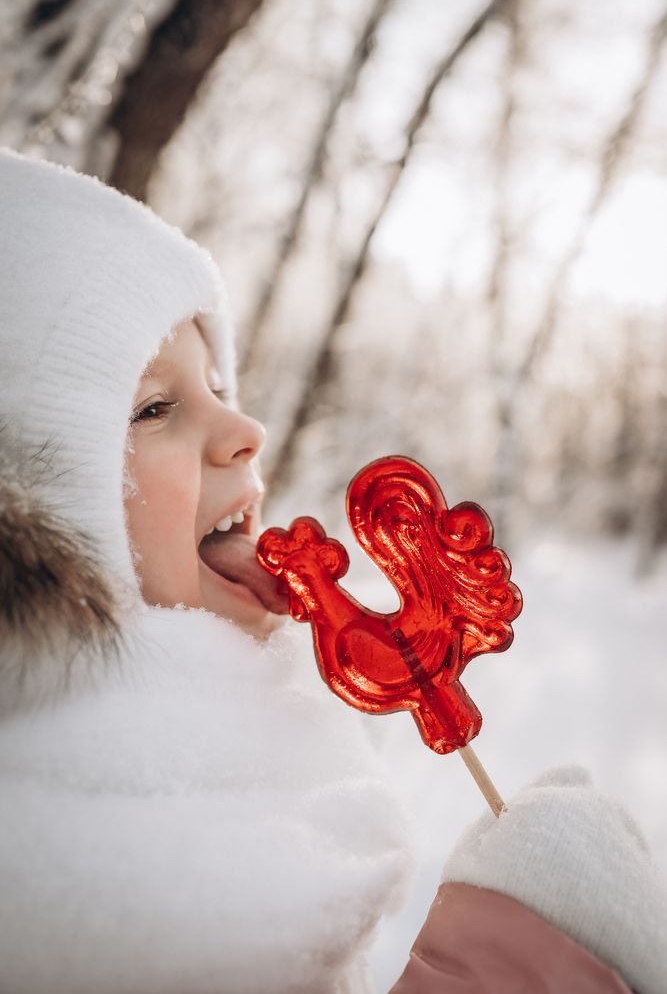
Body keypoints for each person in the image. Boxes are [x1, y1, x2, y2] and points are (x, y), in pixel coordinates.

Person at [0, 148, 664, 994]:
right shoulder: (64, 881)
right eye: (154, 406)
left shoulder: (262, 773)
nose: (246, 426)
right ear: (34, 528)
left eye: (216, 385)